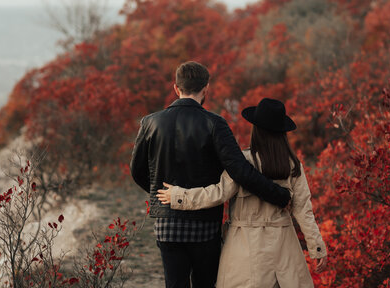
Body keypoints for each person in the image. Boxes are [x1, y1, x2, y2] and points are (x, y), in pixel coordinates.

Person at [130, 62, 291, 288]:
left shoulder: (150, 122)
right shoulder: (215, 124)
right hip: (205, 225)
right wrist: (280, 196)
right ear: (206, 89)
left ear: (176, 88)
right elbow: (240, 171)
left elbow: (136, 171)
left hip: (167, 223)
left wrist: (163, 195)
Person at [157, 98, 328, 288]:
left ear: (256, 130)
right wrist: (317, 249)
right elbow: (304, 211)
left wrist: (179, 196)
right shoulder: (293, 165)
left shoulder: (243, 161)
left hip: (245, 247)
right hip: (284, 247)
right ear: (282, 133)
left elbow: (217, 193)